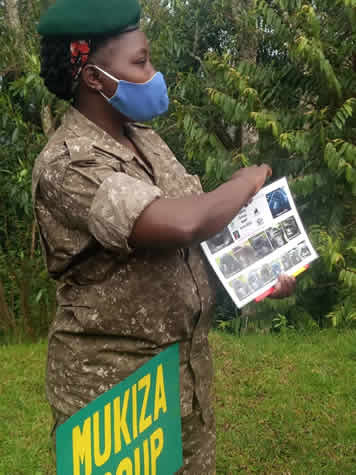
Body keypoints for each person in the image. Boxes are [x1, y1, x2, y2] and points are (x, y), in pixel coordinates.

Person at [33, 0, 296, 473]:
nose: (153, 73)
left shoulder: (145, 137)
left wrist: (251, 274)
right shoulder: (68, 162)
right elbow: (180, 222)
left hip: (182, 375)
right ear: (94, 77)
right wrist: (243, 183)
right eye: (140, 62)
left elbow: (191, 243)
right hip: (114, 392)